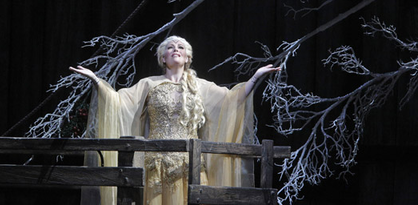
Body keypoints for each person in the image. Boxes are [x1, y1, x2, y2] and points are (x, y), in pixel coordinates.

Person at [70, 35, 280, 205]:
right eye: (170, 47)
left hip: (190, 164)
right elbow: (118, 102)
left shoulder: (200, 86)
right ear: (163, 58)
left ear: (188, 57)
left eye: (181, 46)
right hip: (155, 164)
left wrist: (255, 77)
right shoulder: (149, 84)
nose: (176, 49)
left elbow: (231, 101)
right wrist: (97, 81)